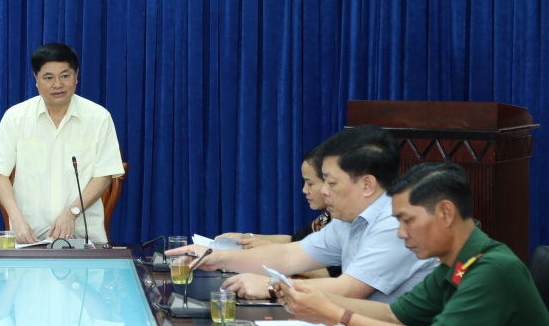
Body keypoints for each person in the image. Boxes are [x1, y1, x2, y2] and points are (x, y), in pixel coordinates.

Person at [280, 162, 549, 326]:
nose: (401, 233)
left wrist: (335, 315)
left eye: (408, 220)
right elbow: (393, 315)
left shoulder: (493, 270)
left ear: (445, 213)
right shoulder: (455, 266)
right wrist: (316, 298)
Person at [172, 125, 435, 303]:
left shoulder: (394, 222)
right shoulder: (348, 218)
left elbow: (348, 290)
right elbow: (289, 256)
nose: (325, 191)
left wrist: (271, 287)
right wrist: (217, 256)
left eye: (331, 183)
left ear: (367, 184)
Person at [0, 43, 124, 246]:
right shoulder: (15, 118)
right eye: (48, 77)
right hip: (29, 237)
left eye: (65, 76)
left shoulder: (99, 118)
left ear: (76, 76)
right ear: (36, 79)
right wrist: (16, 218)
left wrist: (72, 212)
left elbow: (105, 175)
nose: (57, 84)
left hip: (84, 239)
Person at [217, 146, 333, 249]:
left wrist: (271, 248)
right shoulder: (326, 217)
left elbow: (324, 264)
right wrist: (245, 237)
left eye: (310, 183)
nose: (304, 190)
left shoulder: (340, 224)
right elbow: (295, 240)